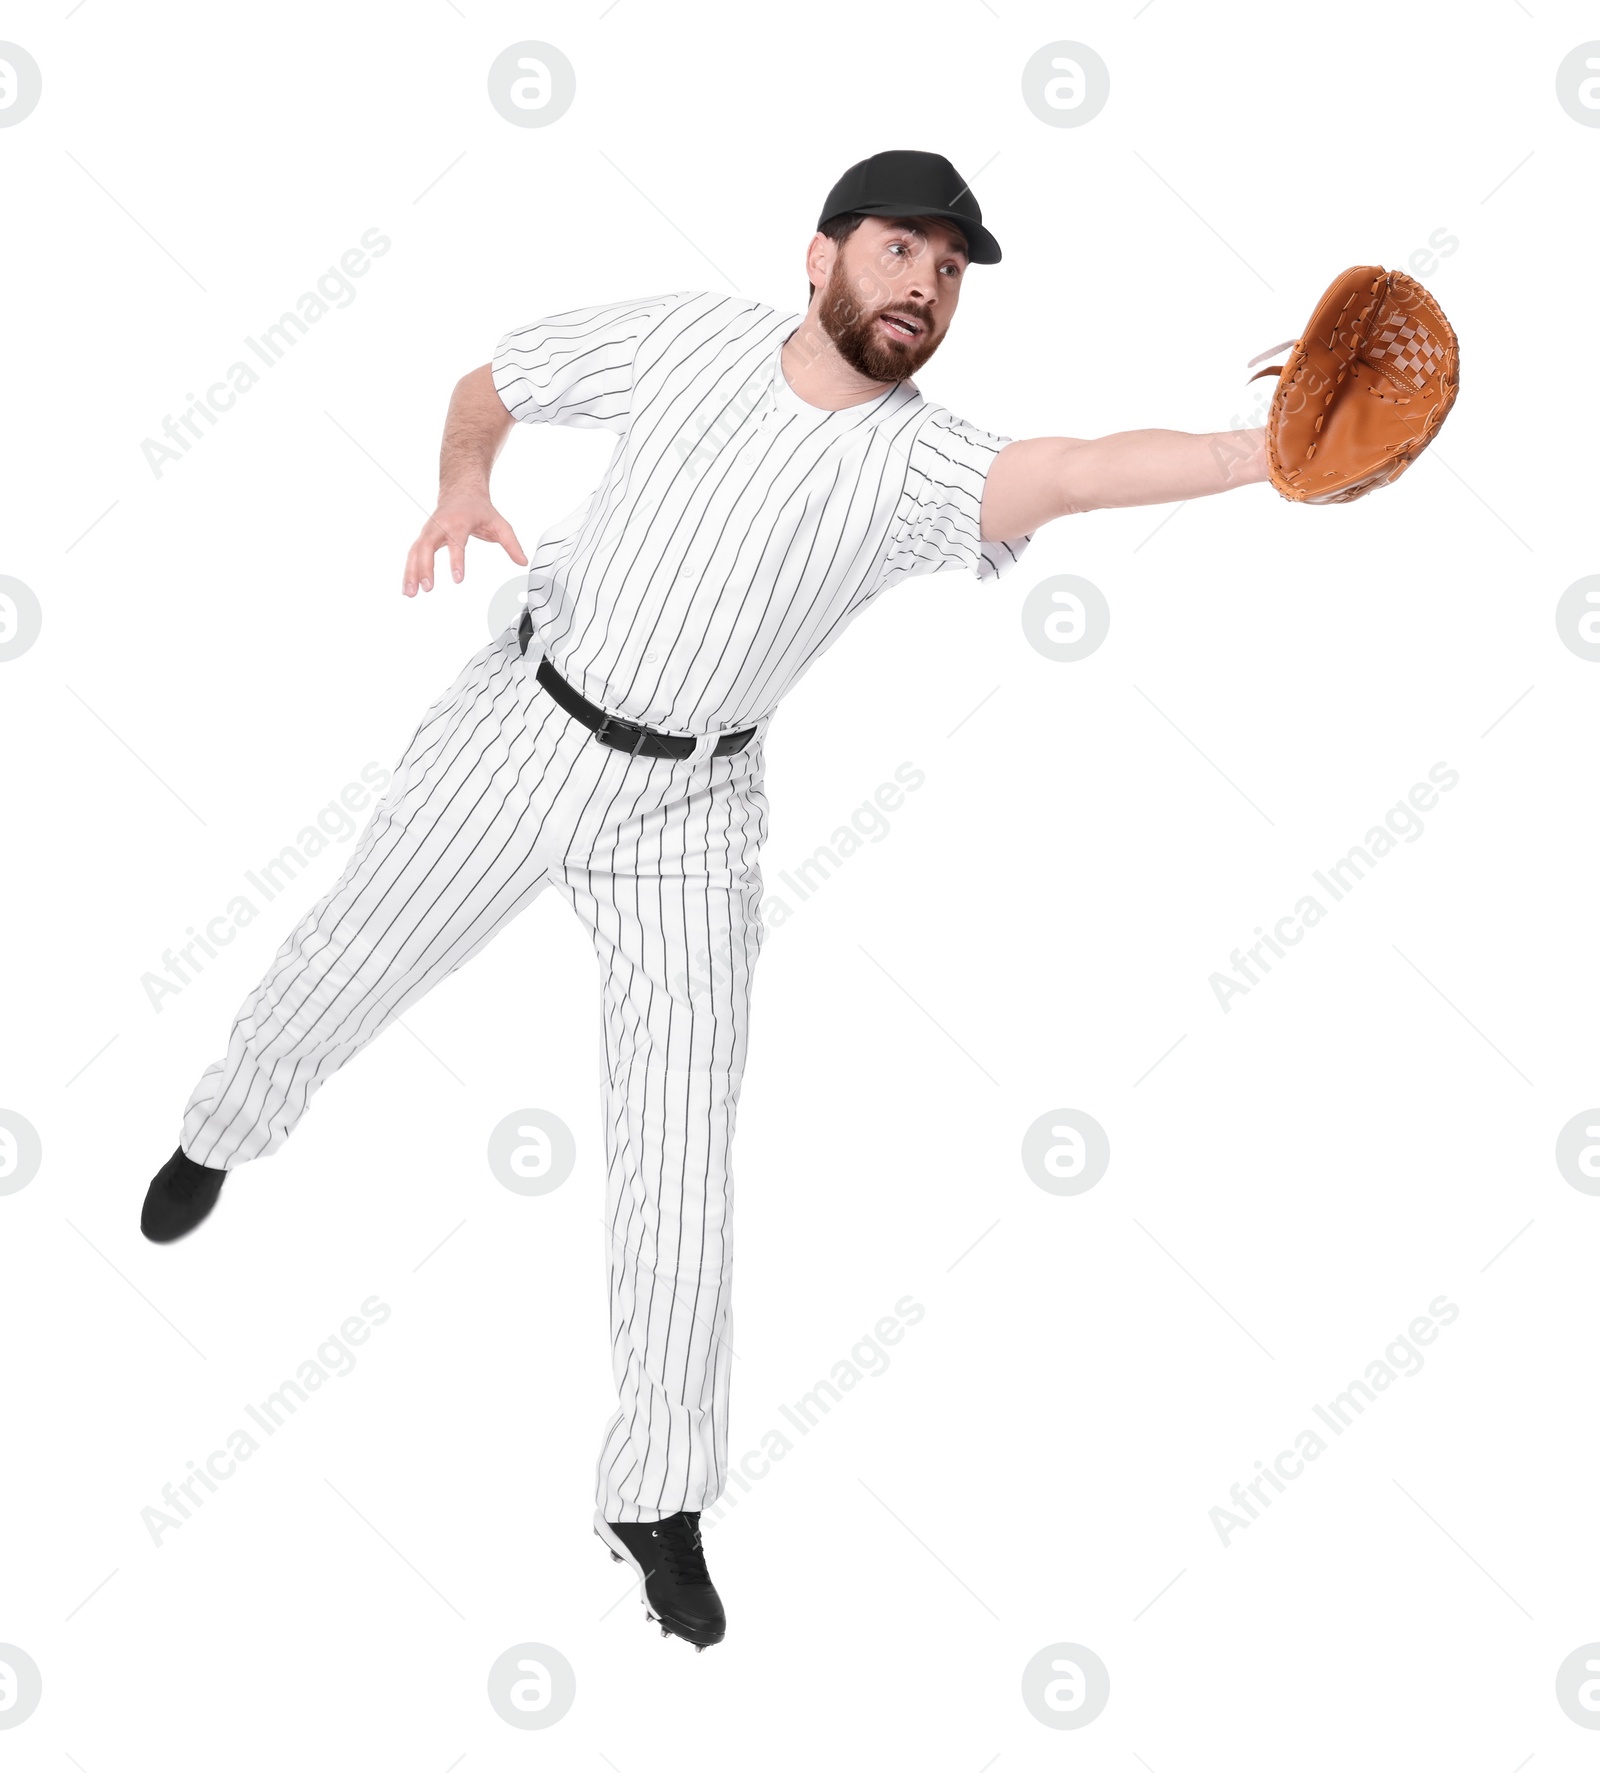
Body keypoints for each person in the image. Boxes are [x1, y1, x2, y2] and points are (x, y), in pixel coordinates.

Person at [139, 148, 1270, 1649]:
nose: (924, 285)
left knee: (681, 1145)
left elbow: (1072, 470)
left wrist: (1271, 450)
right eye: (899, 250)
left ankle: (653, 1496)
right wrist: (464, 481)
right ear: (821, 259)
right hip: (521, 727)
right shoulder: (688, 337)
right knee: (336, 972)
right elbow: (493, 379)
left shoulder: (925, 467)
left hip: (693, 810)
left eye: (948, 268)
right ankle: (223, 1129)